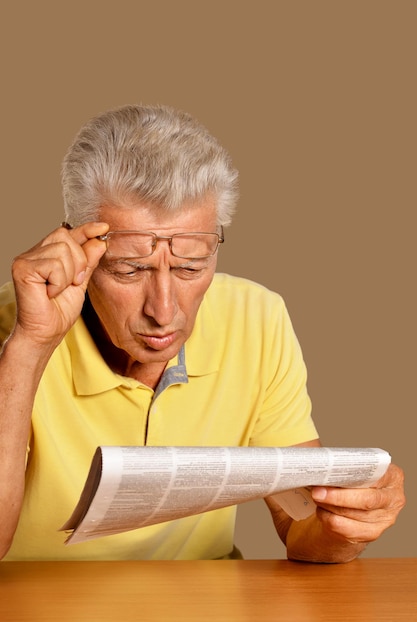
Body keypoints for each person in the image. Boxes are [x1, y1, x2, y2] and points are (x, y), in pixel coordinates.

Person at [0, 104, 405, 562]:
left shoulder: (257, 316)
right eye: (130, 269)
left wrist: (345, 529)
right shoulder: (13, 326)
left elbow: (301, 526)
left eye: (191, 266)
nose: (164, 310)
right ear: (78, 250)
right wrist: (29, 346)